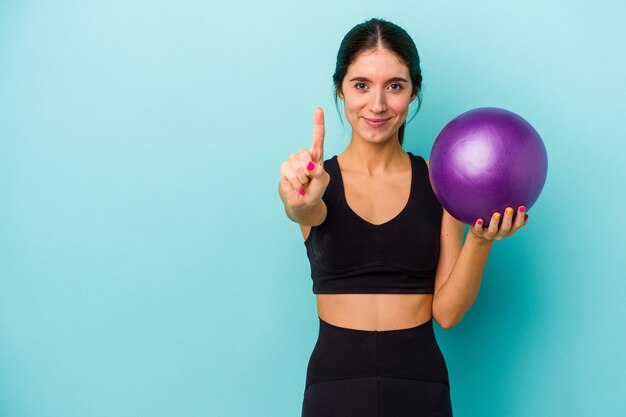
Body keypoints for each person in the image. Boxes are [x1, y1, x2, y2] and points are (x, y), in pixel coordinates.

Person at [278, 18, 528, 417]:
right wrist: (297, 197)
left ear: (414, 92)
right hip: (336, 383)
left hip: (420, 382)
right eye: (361, 85)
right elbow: (305, 208)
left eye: (394, 86)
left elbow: (446, 314)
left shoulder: (442, 181)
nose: (377, 105)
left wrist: (480, 241)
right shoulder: (316, 180)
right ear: (340, 89)